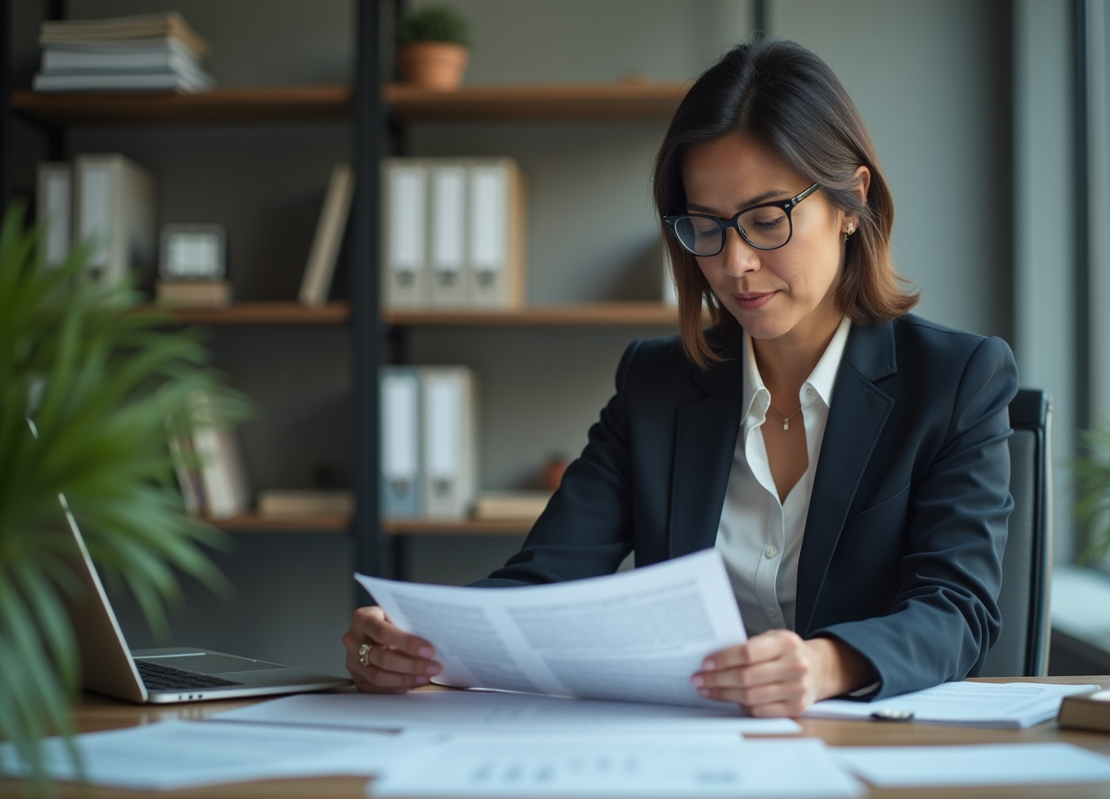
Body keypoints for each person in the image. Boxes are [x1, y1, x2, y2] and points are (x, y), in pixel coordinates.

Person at [343, 37, 1017, 718]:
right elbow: (545, 578)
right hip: (684, 748)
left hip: (867, 746)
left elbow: (956, 610)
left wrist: (821, 664)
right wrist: (419, 637)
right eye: (706, 227)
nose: (735, 264)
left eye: (765, 220)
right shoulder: (656, 384)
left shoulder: (956, 380)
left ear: (850, 203)